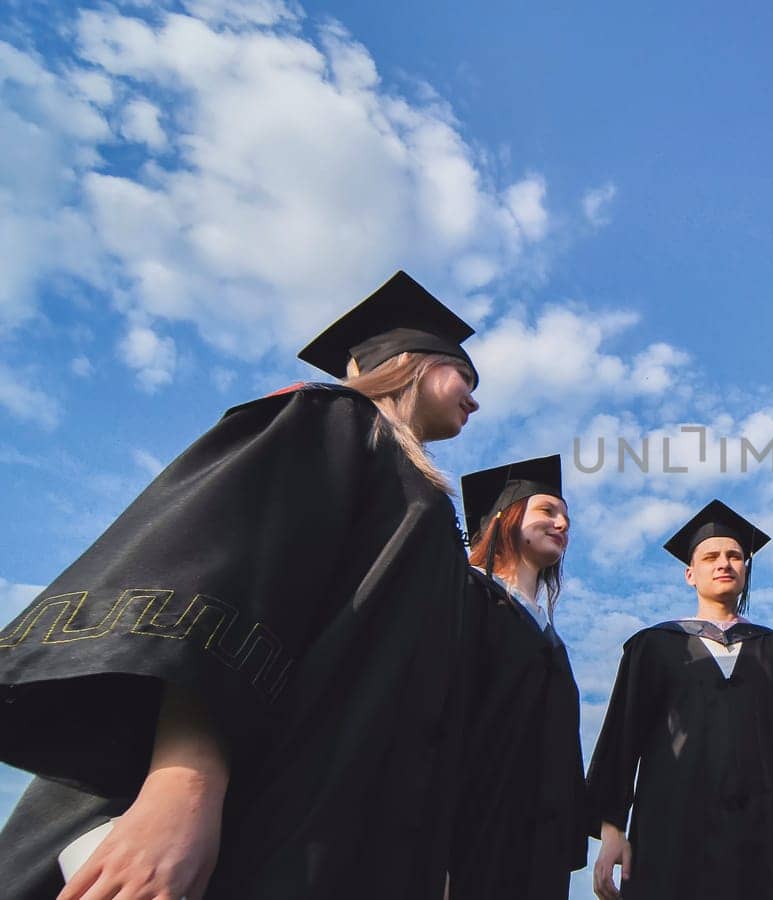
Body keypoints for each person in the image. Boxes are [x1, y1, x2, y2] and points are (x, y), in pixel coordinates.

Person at [0, 271, 490, 900]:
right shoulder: (328, 421)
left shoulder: (422, 498)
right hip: (241, 811)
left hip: (336, 831)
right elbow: (226, 590)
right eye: (463, 378)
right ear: (407, 364)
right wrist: (183, 787)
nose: (474, 399)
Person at [587, 500, 773, 900]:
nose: (724, 564)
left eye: (734, 556)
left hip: (763, 838)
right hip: (671, 833)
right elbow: (620, 738)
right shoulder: (655, 645)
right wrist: (612, 830)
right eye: (711, 556)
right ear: (690, 574)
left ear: (746, 570)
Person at [452, 454, 587, 897]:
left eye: (565, 516)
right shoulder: (465, 595)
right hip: (470, 833)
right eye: (547, 511)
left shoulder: (551, 638)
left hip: (539, 849)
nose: (562, 524)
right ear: (506, 518)